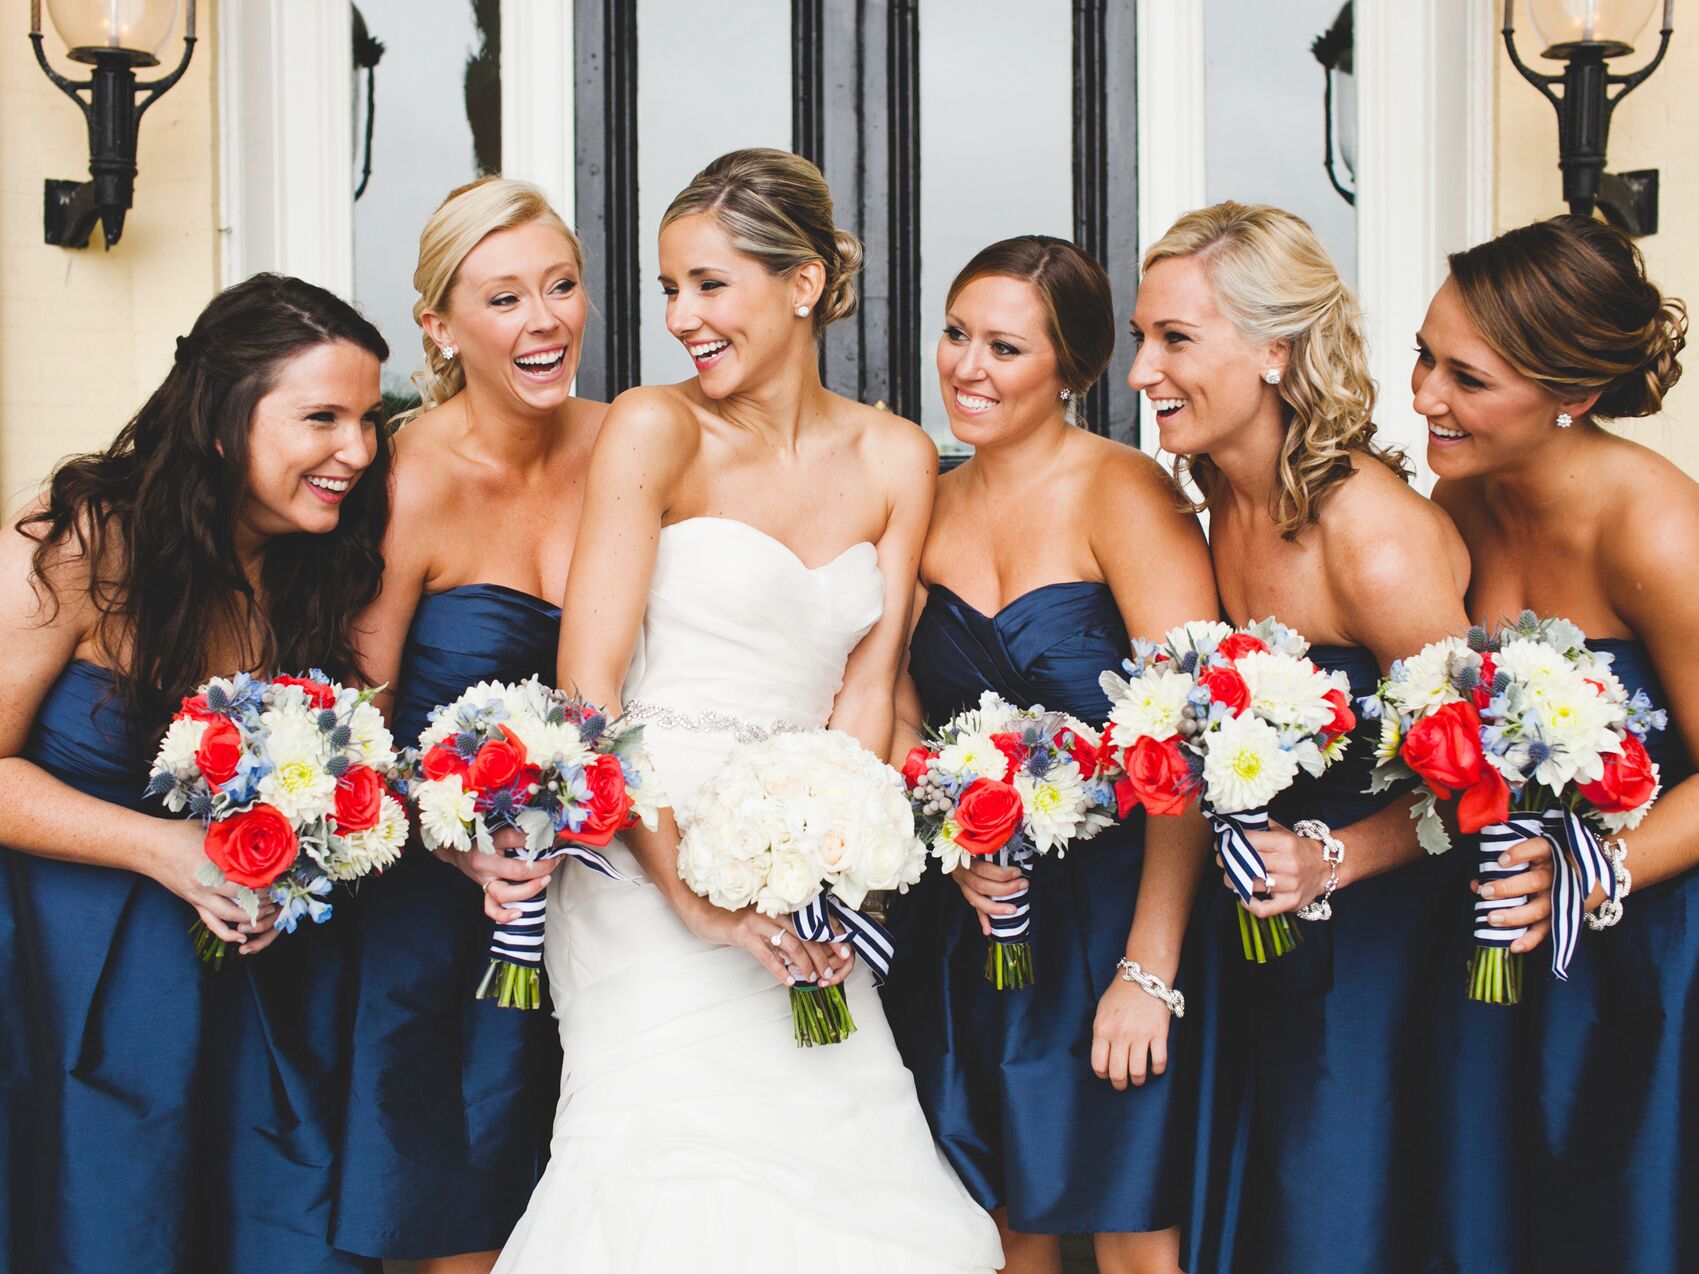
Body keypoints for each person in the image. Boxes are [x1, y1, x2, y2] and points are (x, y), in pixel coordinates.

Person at [494, 148, 1002, 1272]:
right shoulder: (652, 428)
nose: (681, 316)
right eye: (669, 288)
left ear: (804, 284)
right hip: (645, 855)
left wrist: (844, 875)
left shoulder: (897, 454)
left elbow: (868, 687)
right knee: (671, 1182)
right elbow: (591, 685)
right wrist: (695, 898)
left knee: (849, 1172)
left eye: (708, 284)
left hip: (809, 870)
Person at [0, 273, 390, 1273]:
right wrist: (166, 846)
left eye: (369, 419)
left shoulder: (318, 566)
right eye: (323, 417)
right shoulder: (88, 537)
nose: (357, 449)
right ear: (222, 420)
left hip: (262, 993)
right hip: (72, 978)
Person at [1131, 202, 1485, 1274]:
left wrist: (1334, 853)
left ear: (1273, 350)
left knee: (1335, 1216)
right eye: (1144, 336)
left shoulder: (1371, 537)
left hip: (1380, 957)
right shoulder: (1215, 499)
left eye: (1175, 339)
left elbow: (1483, 780)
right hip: (1262, 941)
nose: (1143, 369)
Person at [880, 235, 1215, 1274]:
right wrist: (949, 822)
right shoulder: (923, 499)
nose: (966, 367)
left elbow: (1189, 738)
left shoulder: (1127, 494)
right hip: (973, 921)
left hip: (1115, 912)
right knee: (1002, 1225)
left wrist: (1147, 968)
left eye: (1004, 347)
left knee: (1129, 1228)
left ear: (1071, 369)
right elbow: (895, 707)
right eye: (954, 334)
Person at [332, 177, 604, 1274]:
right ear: (439, 325)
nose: (543, 320)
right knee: (454, 1210)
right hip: (432, 902)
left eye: (561, 286)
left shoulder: (631, 445)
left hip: (598, 889)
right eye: (504, 298)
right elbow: (357, 717)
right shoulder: (400, 475)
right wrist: (455, 841)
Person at [1420, 213, 1696, 1274]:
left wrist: (1590, 864)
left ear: (1571, 396)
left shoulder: (1657, 530)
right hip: (1493, 933)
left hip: (1645, 946)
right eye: (1423, 355)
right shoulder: (1460, 497)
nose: (1424, 397)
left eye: (1466, 378)